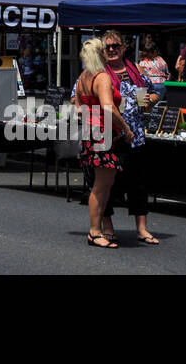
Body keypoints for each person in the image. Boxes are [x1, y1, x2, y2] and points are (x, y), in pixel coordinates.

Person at [101, 30, 161, 245]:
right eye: (107, 47)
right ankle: (106, 226)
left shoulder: (136, 70)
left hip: (135, 136)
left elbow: (154, 92)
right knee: (107, 184)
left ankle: (142, 229)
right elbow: (76, 95)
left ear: (123, 47)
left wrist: (148, 101)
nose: (111, 50)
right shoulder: (99, 72)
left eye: (115, 46)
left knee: (138, 184)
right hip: (110, 136)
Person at [75, 37, 133, 248]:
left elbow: (77, 108)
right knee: (101, 187)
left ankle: (97, 229)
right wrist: (126, 128)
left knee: (103, 185)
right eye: (105, 51)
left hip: (92, 133)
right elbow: (109, 108)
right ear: (101, 54)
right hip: (102, 133)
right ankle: (94, 231)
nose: (109, 53)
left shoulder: (83, 77)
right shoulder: (101, 77)